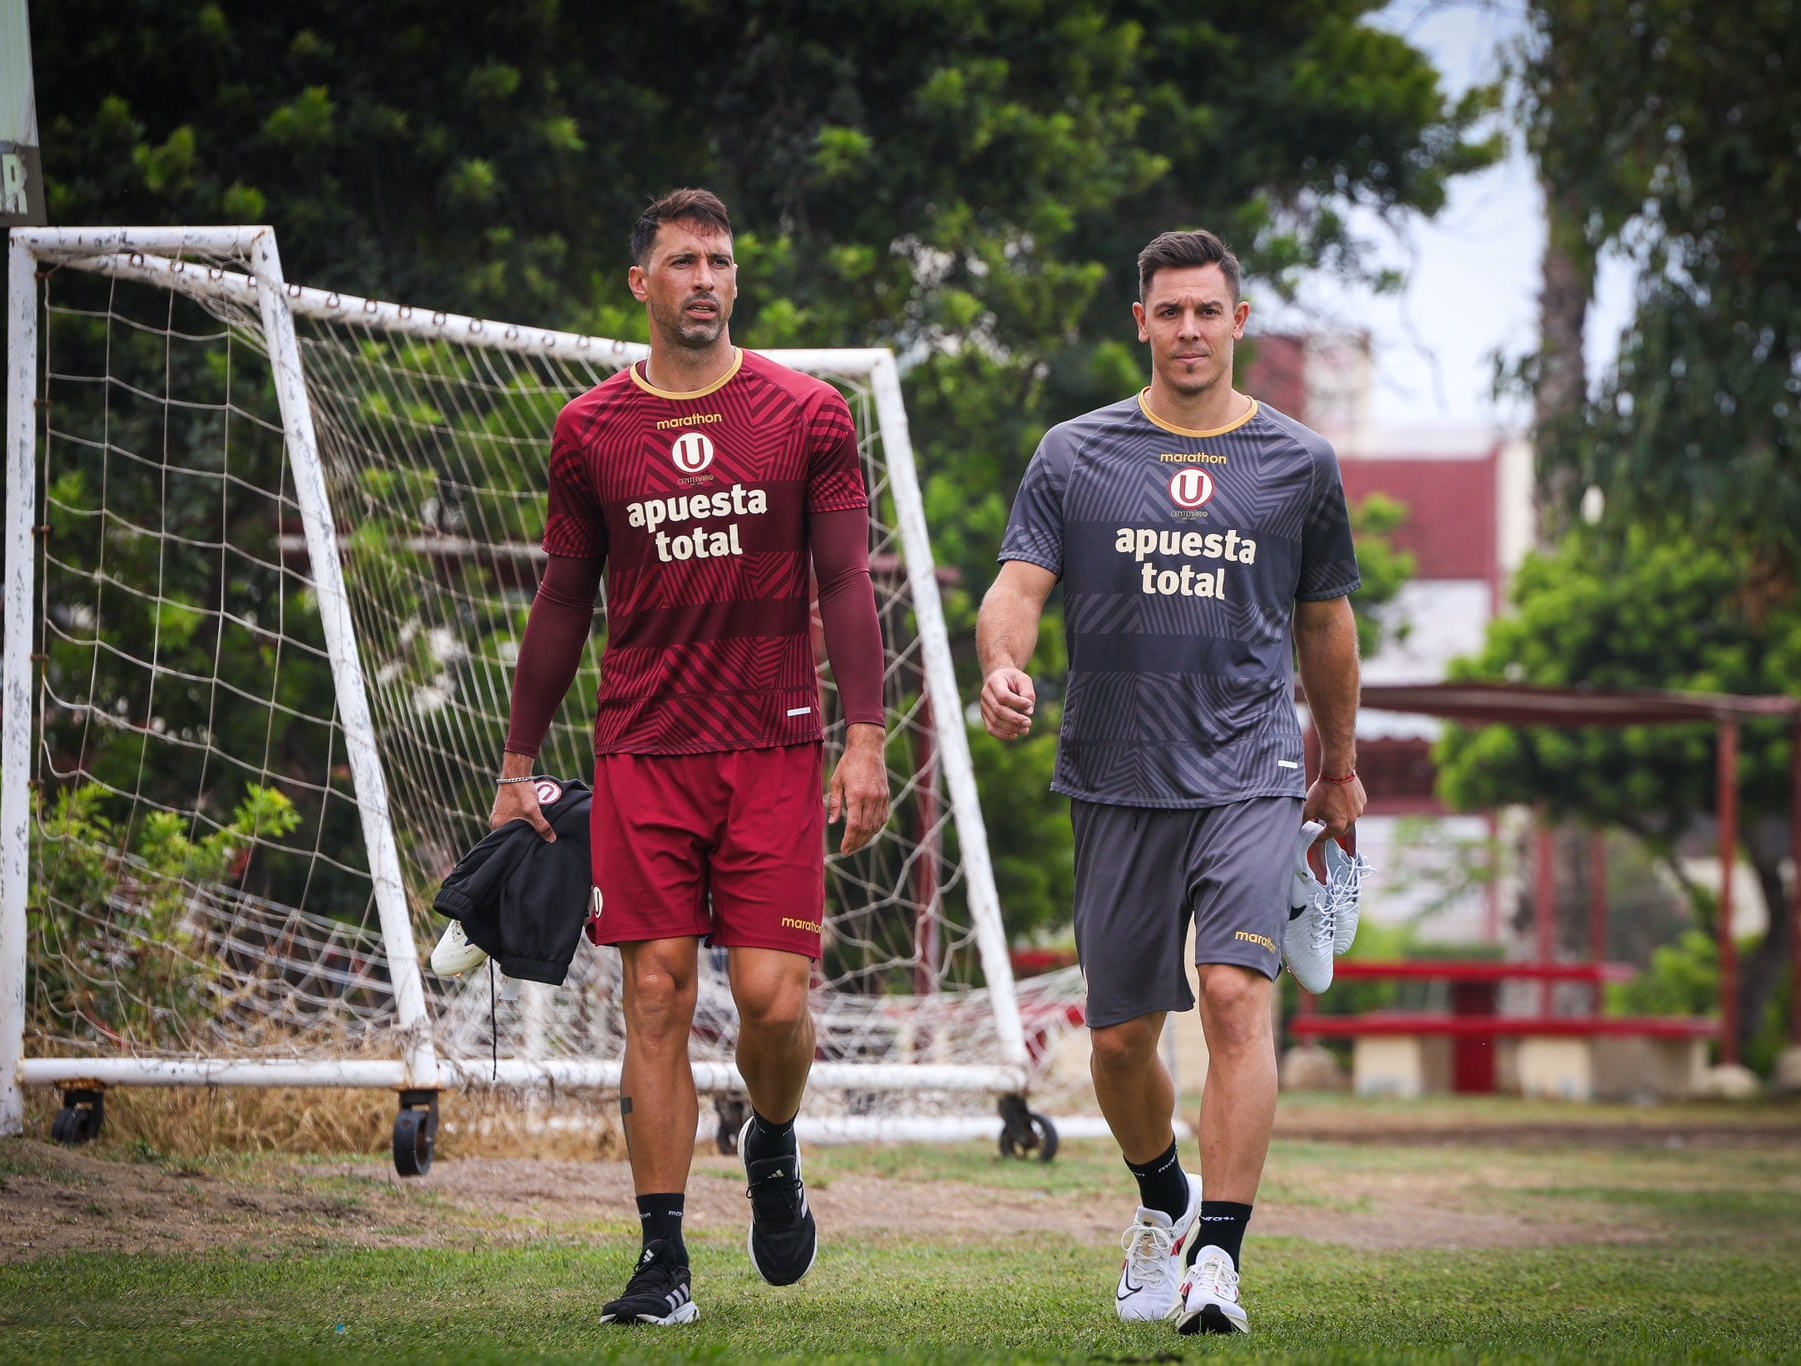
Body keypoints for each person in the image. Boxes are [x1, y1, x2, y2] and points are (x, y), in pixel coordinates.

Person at [492, 188, 890, 1327]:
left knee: (770, 1003)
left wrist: (863, 738)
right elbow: (564, 597)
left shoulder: (808, 415)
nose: (704, 278)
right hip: (643, 753)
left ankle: (770, 1140)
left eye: (719, 260)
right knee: (655, 995)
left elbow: (845, 584)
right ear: (643, 285)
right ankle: (661, 1263)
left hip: (774, 749)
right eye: (682, 261)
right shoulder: (589, 430)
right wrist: (521, 758)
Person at [976, 228, 1366, 1335]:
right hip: (1112, 774)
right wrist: (1002, 667)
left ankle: (1219, 1264)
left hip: (1248, 775)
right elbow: (1014, 589)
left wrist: (1335, 767)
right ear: (1138, 323)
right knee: (1116, 1040)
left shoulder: (1299, 462)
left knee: (1239, 998)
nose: (1189, 329)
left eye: (1208, 311)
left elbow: (1326, 628)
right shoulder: (1073, 454)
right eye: (1169, 311)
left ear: (1238, 323)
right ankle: (1162, 1204)